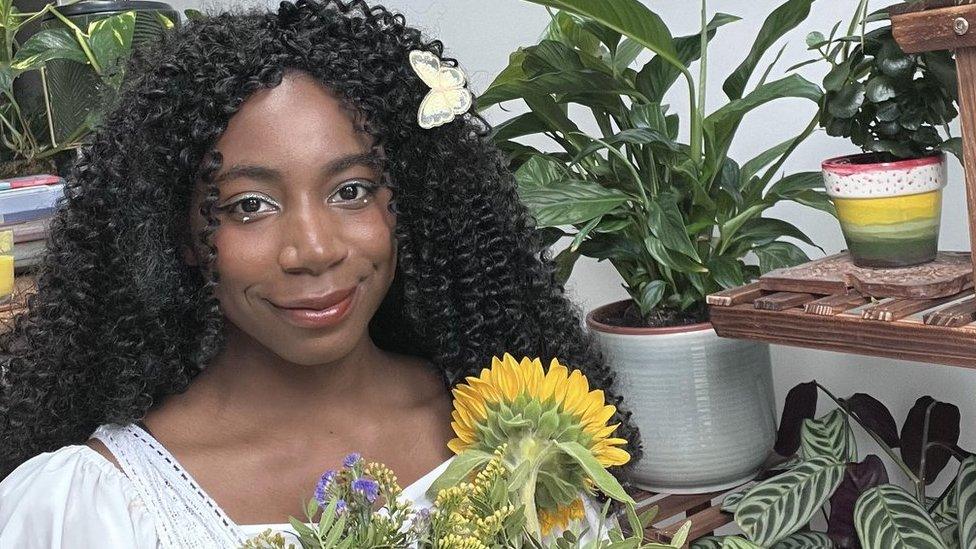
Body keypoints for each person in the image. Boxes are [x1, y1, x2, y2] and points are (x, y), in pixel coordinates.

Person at [0, 0, 641, 546]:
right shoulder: (94, 508)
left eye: (353, 190)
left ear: (409, 202)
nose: (312, 249)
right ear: (181, 235)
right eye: (250, 205)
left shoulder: (518, 434)